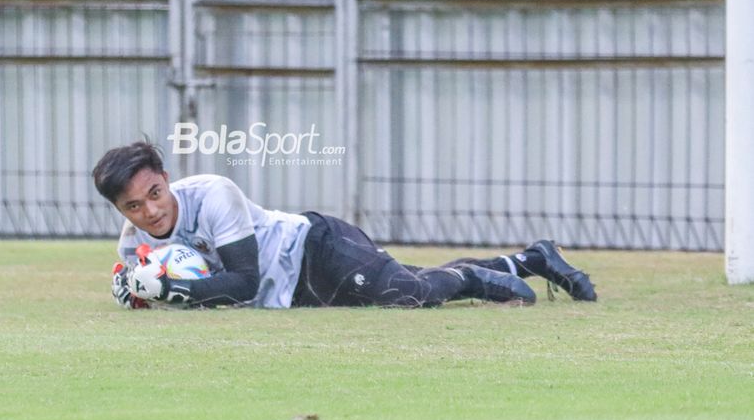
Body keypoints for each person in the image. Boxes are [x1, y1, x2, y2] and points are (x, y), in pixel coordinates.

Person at [93, 142, 597, 309]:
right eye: (133, 207)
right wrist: (137, 291)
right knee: (407, 278)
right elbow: (146, 284)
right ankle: (534, 259)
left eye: (154, 193)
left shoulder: (213, 193)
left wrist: (171, 289)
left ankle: (473, 279)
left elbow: (243, 281)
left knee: (409, 295)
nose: (150, 212)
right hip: (291, 296)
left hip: (314, 248)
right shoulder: (134, 242)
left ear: (166, 178)